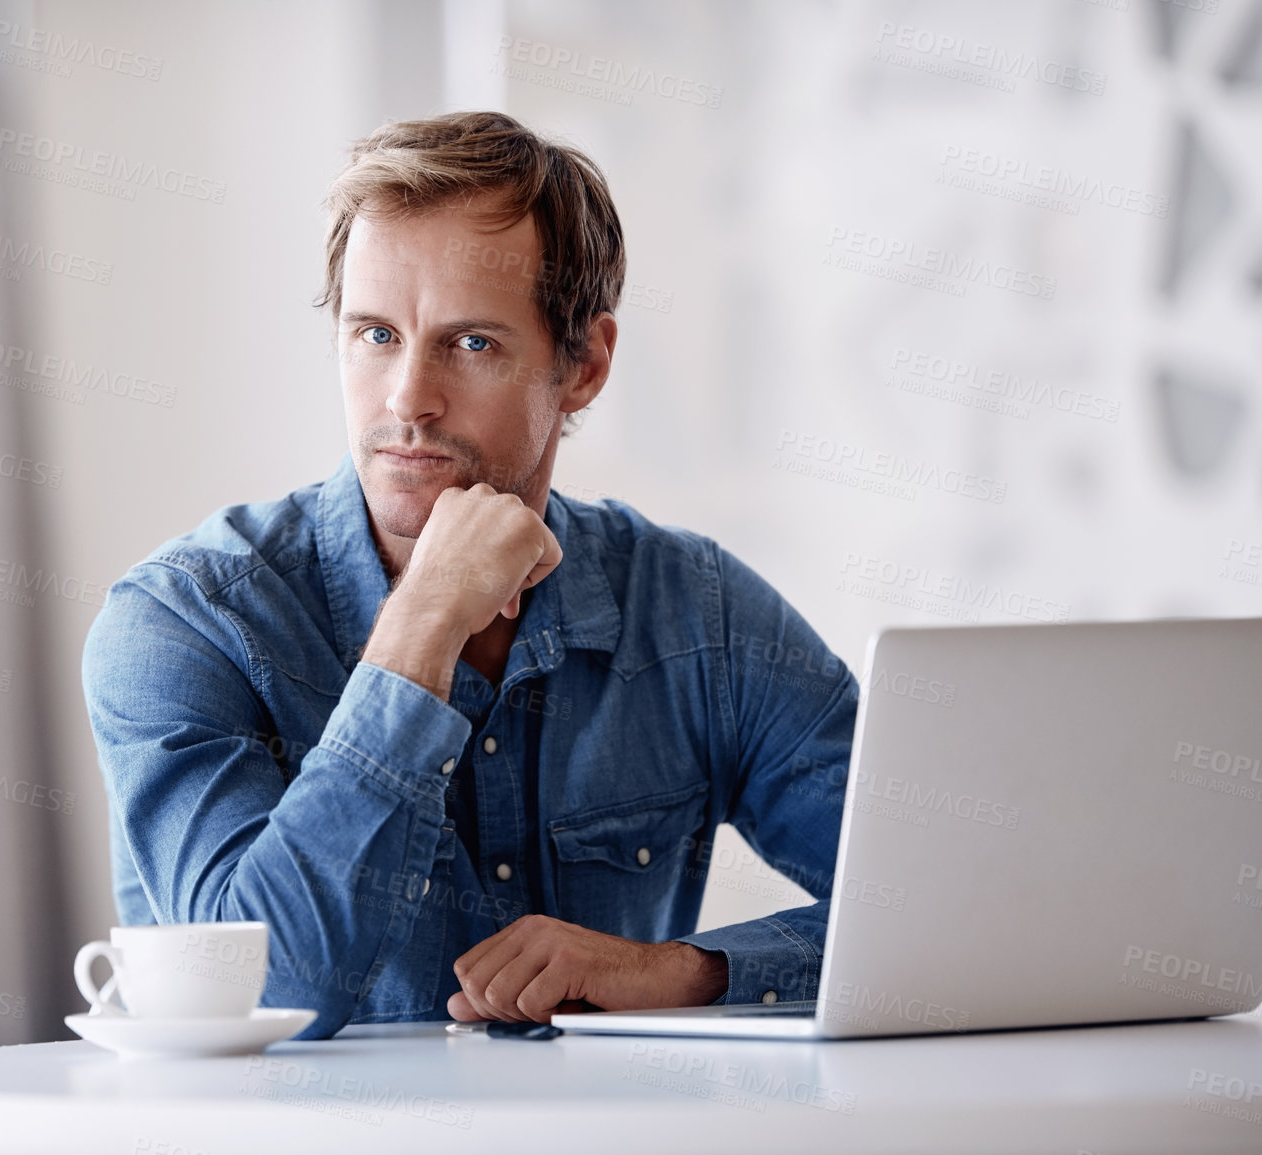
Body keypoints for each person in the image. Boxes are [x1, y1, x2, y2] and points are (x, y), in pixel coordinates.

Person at [82, 111, 856, 1039]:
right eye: (374, 334)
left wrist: (679, 973)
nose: (407, 398)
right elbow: (263, 990)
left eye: (472, 343)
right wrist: (424, 626)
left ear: (584, 365)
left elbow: (937, 909)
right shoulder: (185, 621)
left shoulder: (699, 613)